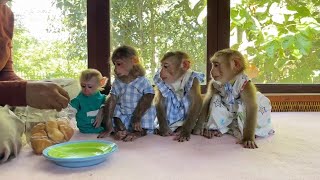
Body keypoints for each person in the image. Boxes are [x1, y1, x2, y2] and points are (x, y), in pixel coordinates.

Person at [0, 0, 70, 163]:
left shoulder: (6, 13)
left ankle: (20, 123)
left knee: (70, 87)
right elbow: (17, 91)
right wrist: (22, 93)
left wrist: (34, 88)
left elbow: (6, 73)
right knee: (2, 132)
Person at [69, 69, 107, 133]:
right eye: (83, 86)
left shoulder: (103, 98)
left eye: (90, 86)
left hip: (102, 130)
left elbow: (108, 103)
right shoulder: (79, 99)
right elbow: (70, 112)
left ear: (101, 83)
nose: (86, 89)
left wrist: (102, 109)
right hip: (84, 132)